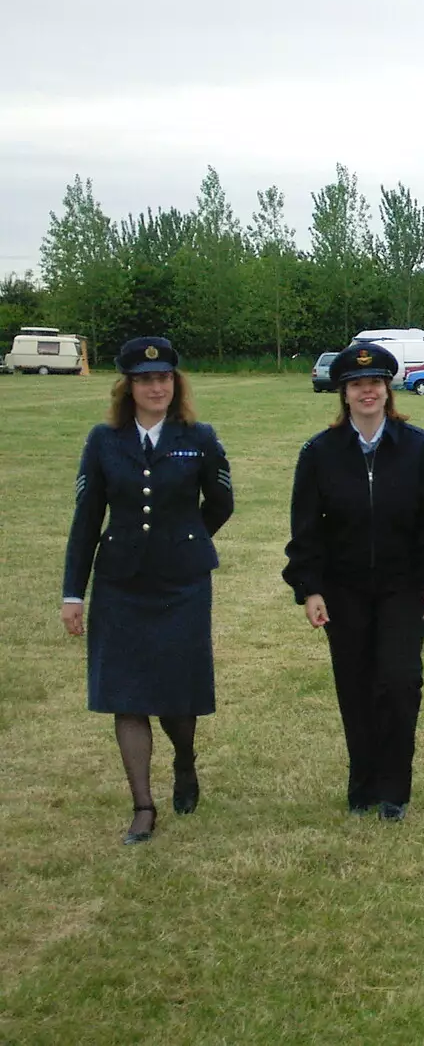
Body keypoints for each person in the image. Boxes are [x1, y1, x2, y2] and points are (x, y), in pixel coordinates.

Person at [61, 337, 233, 845]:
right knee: (126, 694)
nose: (155, 386)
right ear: (128, 386)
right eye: (144, 379)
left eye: (163, 378)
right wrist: (74, 592)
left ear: (175, 382)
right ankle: (142, 806)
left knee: (177, 692)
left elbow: (221, 503)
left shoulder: (198, 437)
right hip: (121, 584)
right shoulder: (103, 440)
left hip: (182, 583)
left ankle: (184, 760)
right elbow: (86, 520)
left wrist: (186, 539)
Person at [283, 342, 424, 822]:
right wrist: (311, 587)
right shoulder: (318, 453)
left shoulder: (419, 448)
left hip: (404, 587)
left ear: (388, 390)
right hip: (344, 591)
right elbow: (306, 531)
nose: (367, 391)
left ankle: (394, 789)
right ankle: (362, 784)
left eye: (375, 383)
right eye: (357, 385)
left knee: (400, 681)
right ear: (343, 393)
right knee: (356, 684)